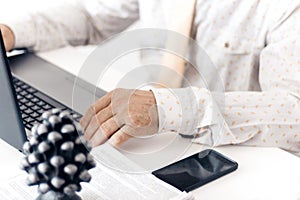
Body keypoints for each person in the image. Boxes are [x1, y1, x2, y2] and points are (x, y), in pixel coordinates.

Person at [2, 0, 300, 154]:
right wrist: (12, 33)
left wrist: (168, 108)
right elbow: (92, 16)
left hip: (233, 156)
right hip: (140, 140)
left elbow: (294, 110)